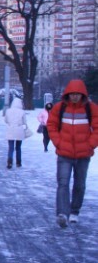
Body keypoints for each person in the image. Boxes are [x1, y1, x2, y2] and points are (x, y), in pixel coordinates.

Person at [46, 79, 98, 228]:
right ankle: (62, 213)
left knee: (80, 184)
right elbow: (52, 125)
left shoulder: (92, 109)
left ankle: (75, 211)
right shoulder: (59, 108)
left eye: (78, 94)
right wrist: (58, 143)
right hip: (64, 153)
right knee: (63, 183)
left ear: (83, 94)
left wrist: (90, 145)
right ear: (67, 94)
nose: (75, 97)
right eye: (72, 94)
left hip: (84, 154)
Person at [3, 96, 28, 169]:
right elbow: (24, 122)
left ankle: (9, 162)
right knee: (18, 147)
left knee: (10, 147)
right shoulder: (22, 112)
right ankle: (18, 162)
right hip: (19, 130)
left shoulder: (8, 111)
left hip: (10, 130)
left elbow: (6, 121)